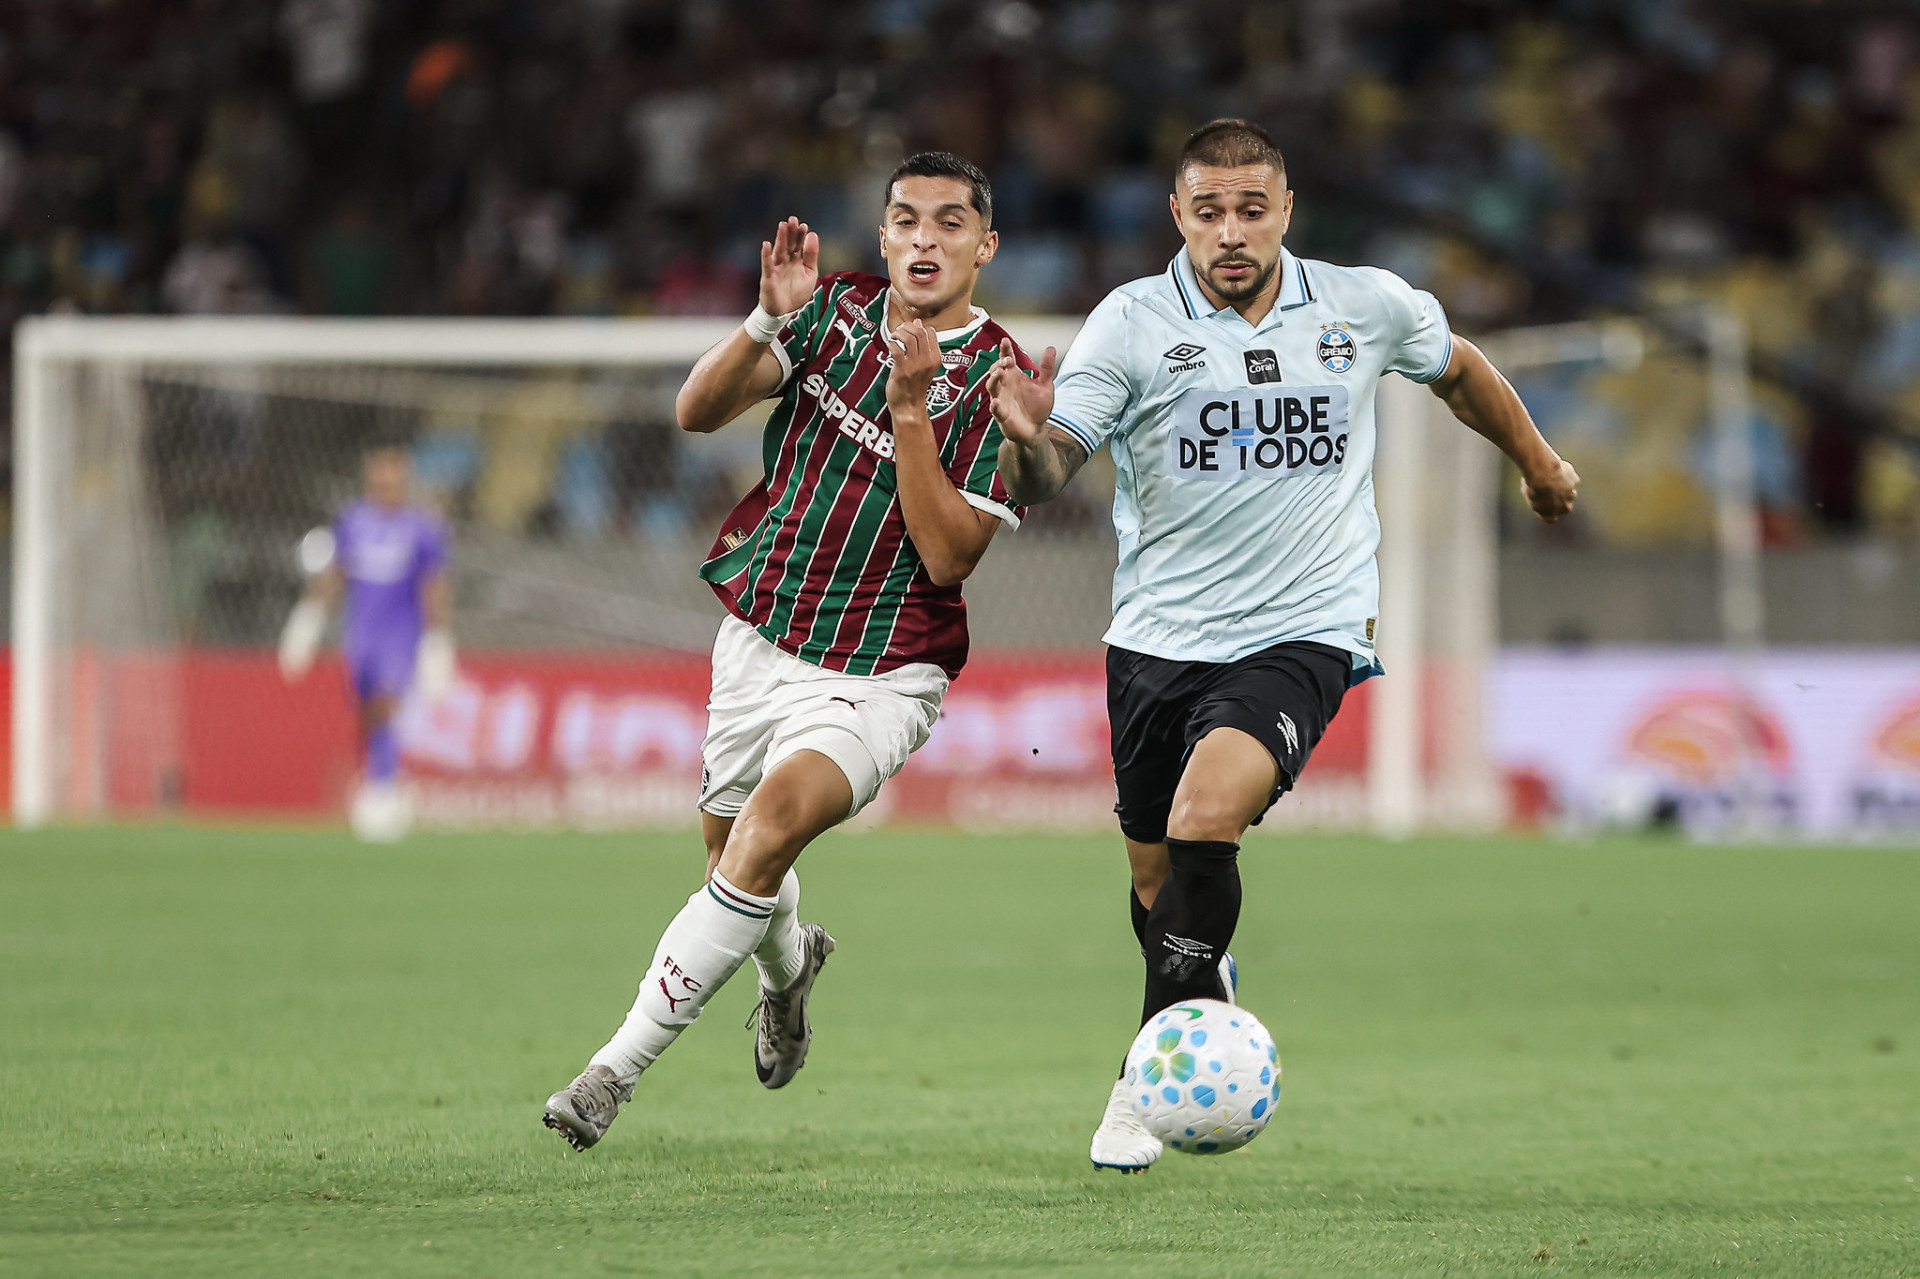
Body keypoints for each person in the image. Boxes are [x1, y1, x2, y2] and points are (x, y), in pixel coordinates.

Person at [986, 119, 1580, 1172]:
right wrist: (1025, 442)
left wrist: (1535, 460)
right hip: (1157, 640)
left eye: (1250, 208)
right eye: (1207, 209)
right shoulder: (1128, 324)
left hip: (1306, 628)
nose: (1229, 230)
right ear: (1176, 214)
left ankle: (1145, 1069)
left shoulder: (1364, 304)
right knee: (1153, 870)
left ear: (1285, 210)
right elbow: (1051, 475)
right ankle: (1198, 985)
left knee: (1207, 810)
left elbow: (1458, 369)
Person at [542, 152, 1035, 1151]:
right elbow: (696, 412)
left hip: (883, 670)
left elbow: (947, 553)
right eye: (906, 220)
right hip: (761, 638)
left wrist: (908, 411)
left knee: (768, 830)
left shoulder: (1001, 381)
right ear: (885, 235)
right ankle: (788, 968)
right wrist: (767, 319)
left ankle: (611, 1072)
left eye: (950, 224)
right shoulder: (835, 312)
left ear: (985, 246)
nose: (925, 240)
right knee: (735, 862)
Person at [279, 445, 455, 842]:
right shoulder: (353, 522)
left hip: (401, 634)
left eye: (394, 480)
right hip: (362, 635)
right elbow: (334, 574)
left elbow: (435, 585)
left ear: (404, 482)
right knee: (367, 710)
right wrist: (307, 620)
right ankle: (379, 779)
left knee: (385, 704)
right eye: (380, 479)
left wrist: (438, 639)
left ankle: (385, 791)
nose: (387, 487)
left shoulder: (422, 529)